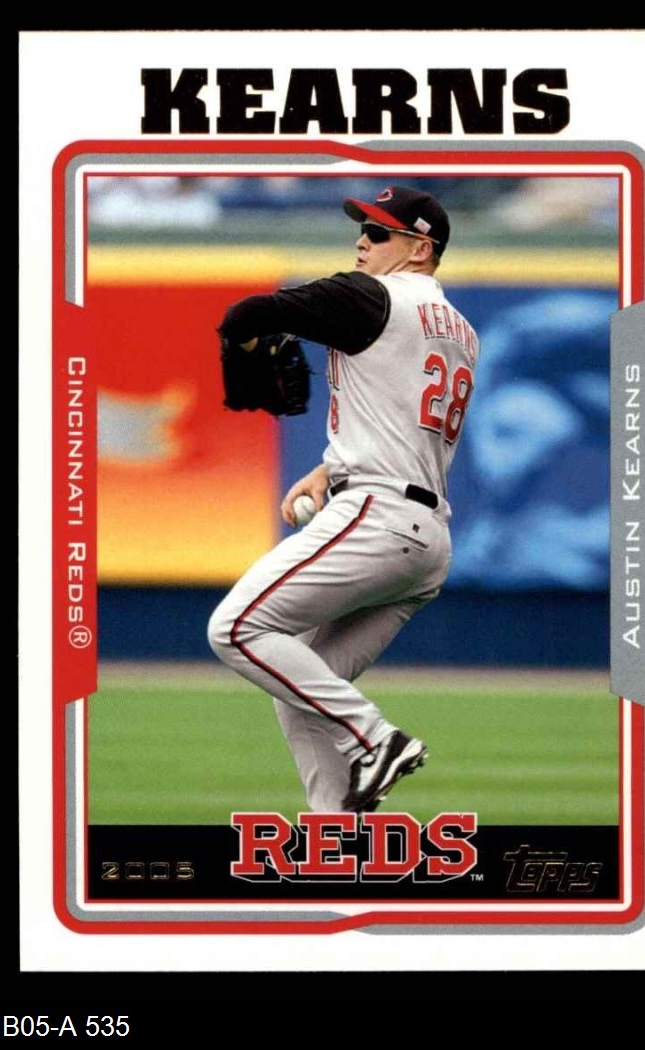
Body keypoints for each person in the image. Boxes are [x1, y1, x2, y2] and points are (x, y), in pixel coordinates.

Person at [208, 185, 479, 813]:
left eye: (379, 233)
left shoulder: (373, 296)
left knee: (237, 629)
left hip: (377, 517)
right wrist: (328, 468)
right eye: (362, 227)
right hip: (425, 540)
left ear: (420, 248)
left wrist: (244, 347)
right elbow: (401, 420)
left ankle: (375, 737)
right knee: (302, 683)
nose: (362, 240)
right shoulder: (462, 332)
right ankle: (336, 836)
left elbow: (247, 314)